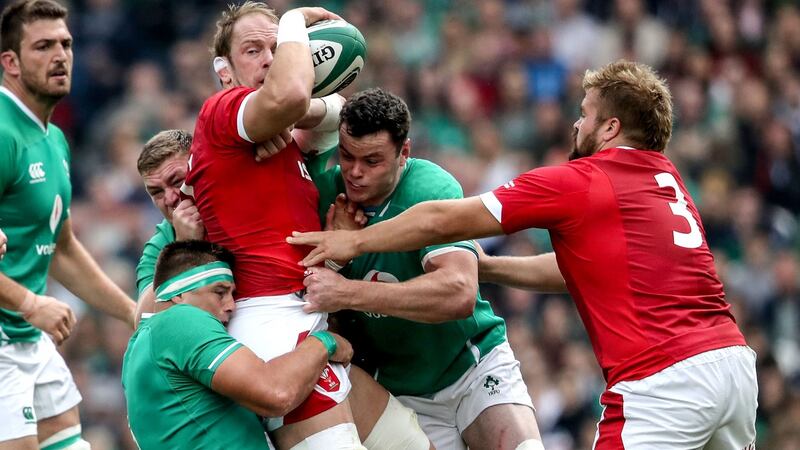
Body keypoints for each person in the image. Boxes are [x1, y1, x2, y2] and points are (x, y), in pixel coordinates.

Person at [289, 60, 758, 449]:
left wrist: (354, 242)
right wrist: (488, 266)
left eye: (585, 113)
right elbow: (578, 271)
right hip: (733, 368)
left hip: (663, 380)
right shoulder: (668, 182)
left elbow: (443, 220)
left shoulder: (585, 179)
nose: (577, 123)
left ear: (610, 127)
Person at [182, 3, 429, 449]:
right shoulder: (220, 111)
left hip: (306, 315)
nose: (269, 59)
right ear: (225, 71)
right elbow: (293, 95)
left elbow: (342, 112)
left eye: (278, 47)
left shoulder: (280, 138)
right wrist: (293, 21)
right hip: (272, 326)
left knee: (414, 444)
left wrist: (294, 114)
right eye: (253, 50)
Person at [135, 128, 430, 449]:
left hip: (323, 351)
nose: (169, 198)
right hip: (272, 374)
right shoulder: (164, 242)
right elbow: (146, 324)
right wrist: (184, 244)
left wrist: (335, 251)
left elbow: (329, 121)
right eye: (155, 192)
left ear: (197, 169)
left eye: (176, 181)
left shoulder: (247, 194)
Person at [300, 88, 543, 450]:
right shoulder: (323, 195)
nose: (354, 172)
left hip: (472, 366)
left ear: (404, 154)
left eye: (372, 161)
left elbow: (458, 293)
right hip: (400, 390)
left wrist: (347, 290)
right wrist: (335, 262)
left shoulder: (430, 187)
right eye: (347, 156)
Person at [0, 1, 137, 449]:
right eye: (43, 46)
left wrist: (131, 313)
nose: (60, 55)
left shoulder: (54, 138)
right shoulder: (2, 132)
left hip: (26, 335)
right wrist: (28, 302)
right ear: (11, 63)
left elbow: (62, 248)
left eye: (66, 44)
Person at [123, 239, 354, 449]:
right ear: (178, 295)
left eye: (232, 294)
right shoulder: (179, 320)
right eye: (220, 292)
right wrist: (323, 341)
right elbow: (276, 394)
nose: (232, 305)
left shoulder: (136, 349)